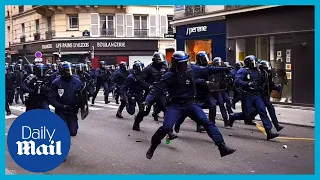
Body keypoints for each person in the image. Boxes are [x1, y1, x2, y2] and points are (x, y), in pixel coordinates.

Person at [144, 51, 236, 159]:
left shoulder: (192, 70)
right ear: (176, 63)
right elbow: (156, 89)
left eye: (186, 62)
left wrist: (225, 68)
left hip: (191, 103)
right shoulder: (170, 75)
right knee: (166, 127)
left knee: (207, 123)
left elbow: (208, 70)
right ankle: (153, 146)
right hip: (175, 105)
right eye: (183, 63)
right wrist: (147, 101)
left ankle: (222, 147)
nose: (185, 65)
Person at [234, 55, 279, 140]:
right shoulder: (243, 70)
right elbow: (237, 81)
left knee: (262, 111)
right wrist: (247, 84)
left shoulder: (257, 70)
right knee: (246, 115)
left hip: (256, 94)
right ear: (248, 63)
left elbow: (263, 80)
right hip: (247, 95)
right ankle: (233, 117)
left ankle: (269, 132)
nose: (255, 64)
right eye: (253, 62)